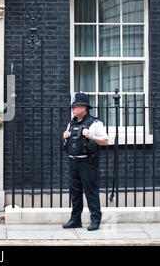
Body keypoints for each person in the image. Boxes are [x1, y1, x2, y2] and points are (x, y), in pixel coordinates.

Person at [62, 92, 109, 231]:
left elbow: (105, 141)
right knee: (75, 192)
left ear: (83, 108)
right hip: (73, 162)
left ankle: (95, 220)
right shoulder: (71, 124)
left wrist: (91, 136)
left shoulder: (95, 123)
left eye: (75, 106)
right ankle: (75, 220)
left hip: (87, 163)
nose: (72, 109)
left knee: (91, 192)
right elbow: (67, 144)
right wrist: (64, 137)